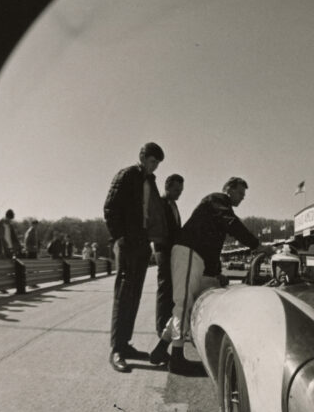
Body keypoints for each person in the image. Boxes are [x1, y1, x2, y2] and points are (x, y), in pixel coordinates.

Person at [149, 177, 272, 371]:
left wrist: (216, 273)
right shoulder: (217, 199)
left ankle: (161, 349)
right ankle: (177, 359)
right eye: (240, 193)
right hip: (188, 252)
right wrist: (257, 245)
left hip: (192, 254)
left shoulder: (217, 207)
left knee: (185, 305)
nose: (242, 198)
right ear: (228, 190)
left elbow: (212, 246)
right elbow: (232, 224)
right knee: (183, 305)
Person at [103, 142, 167, 373]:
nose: (155, 167)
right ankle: (117, 349)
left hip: (142, 243)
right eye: (152, 162)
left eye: (158, 163)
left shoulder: (150, 181)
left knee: (134, 296)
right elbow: (110, 208)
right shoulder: (127, 175)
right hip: (128, 242)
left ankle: (125, 344)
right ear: (142, 158)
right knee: (123, 295)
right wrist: (119, 237)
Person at [155, 173, 185, 339]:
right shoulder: (161, 203)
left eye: (181, 190)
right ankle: (161, 327)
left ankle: (167, 324)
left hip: (172, 251)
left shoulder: (173, 204)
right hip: (164, 251)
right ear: (167, 187)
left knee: (171, 289)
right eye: (176, 190)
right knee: (165, 289)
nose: (179, 193)